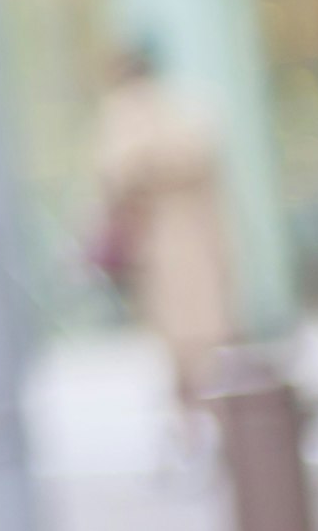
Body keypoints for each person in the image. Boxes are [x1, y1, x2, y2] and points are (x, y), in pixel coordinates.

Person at [90, 39, 241, 428]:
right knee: (201, 336)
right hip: (181, 243)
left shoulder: (132, 112)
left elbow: (115, 173)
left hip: (166, 243)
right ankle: (208, 422)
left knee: (187, 340)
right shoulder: (184, 107)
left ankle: (200, 424)